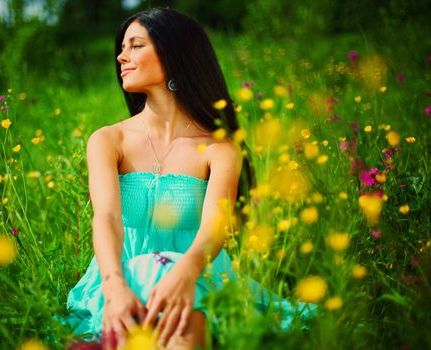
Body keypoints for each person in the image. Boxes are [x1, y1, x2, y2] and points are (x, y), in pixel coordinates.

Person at [64, 8, 315, 350]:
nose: (122, 56)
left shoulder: (220, 149)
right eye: (122, 48)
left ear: (174, 53)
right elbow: (105, 217)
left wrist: (183, 275)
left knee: (182, 318)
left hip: (196, 276)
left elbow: (216, 225)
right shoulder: (109, 140)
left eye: (136, 45)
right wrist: (113, 286)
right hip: (119, 277)